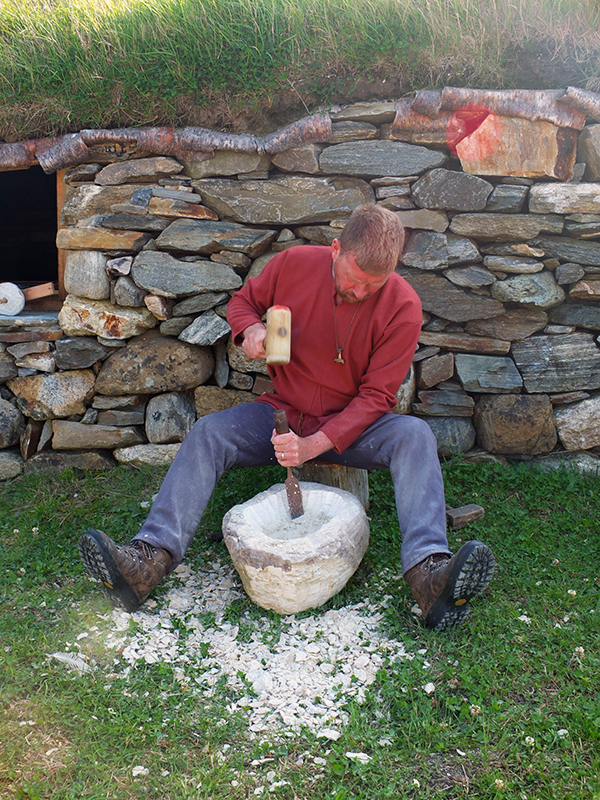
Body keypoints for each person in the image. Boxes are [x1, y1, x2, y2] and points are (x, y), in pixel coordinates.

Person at [79, 204, 494, 631]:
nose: (362, 292)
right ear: (335, 249)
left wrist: (315, 444)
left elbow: (376, 397)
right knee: (209, 433)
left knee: (415, 436)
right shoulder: (294, 264)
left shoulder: (403, 305)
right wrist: (250, 332)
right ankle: (148, 560)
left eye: (375, 284)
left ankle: (429, 574)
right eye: (354, 280)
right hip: (283, 413)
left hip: (355, 425)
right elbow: (242, 303)